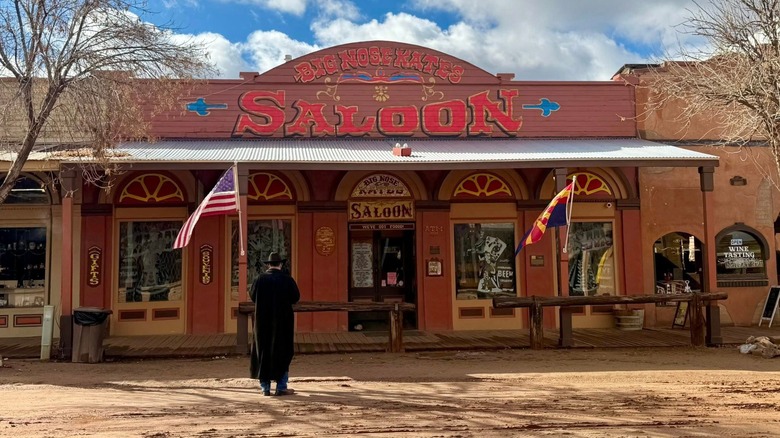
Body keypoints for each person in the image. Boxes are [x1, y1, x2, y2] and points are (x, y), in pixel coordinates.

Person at [249, 251, 301, 396]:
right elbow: (295, 297)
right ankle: (281, 386)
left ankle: (265, 387)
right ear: (281, 264)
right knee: (283, 352)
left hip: (262, 322)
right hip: (282, 322)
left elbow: (253, 296)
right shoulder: (287, 279)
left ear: (268, 265)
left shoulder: (259, 279)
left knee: (263, 352)